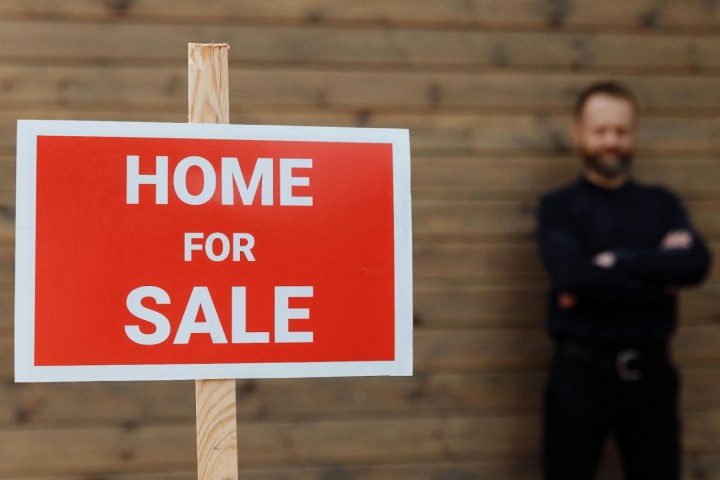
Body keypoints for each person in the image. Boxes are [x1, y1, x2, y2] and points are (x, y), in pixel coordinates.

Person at [536, 81, 712, 480]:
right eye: (600, 131)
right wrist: (656, 272)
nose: (611, 141)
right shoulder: (559, 209)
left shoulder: (662, 204)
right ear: (578, 133)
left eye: (621, 130)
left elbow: (694, 266)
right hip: (580, 377)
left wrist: (614, 261)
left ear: (635, 133)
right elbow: (572, 275)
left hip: (652, 378)